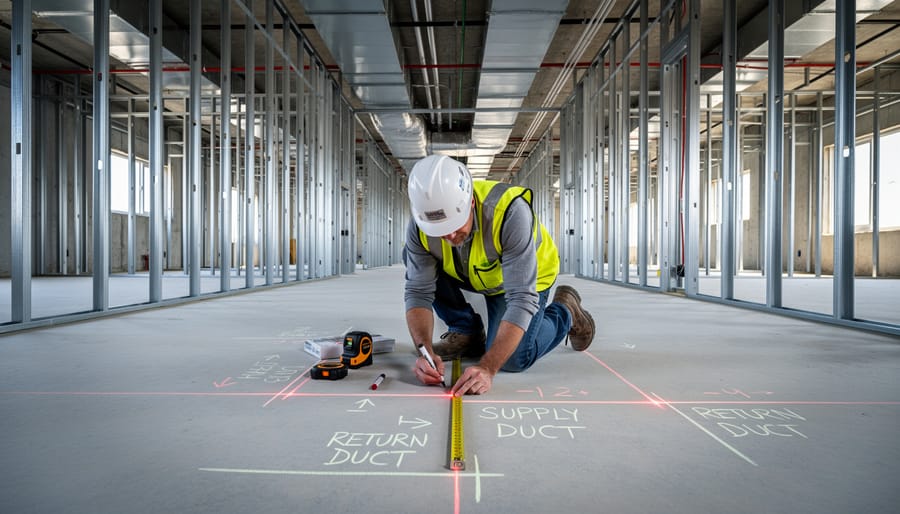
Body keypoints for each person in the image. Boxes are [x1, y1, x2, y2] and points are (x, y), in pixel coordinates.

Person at [403, 155, 595, 396]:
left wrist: (487, 367)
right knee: (412, 260)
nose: (449, 237)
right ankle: (467, 332)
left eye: (455, 226)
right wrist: (424, 351)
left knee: (512, 359)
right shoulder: (420, 228)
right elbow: (418, 292)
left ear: (470, 202)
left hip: (525, 280)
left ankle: (566, 312)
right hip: (474, 274)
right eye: (440, 231)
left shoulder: (509, 213)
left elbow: (521, 299)